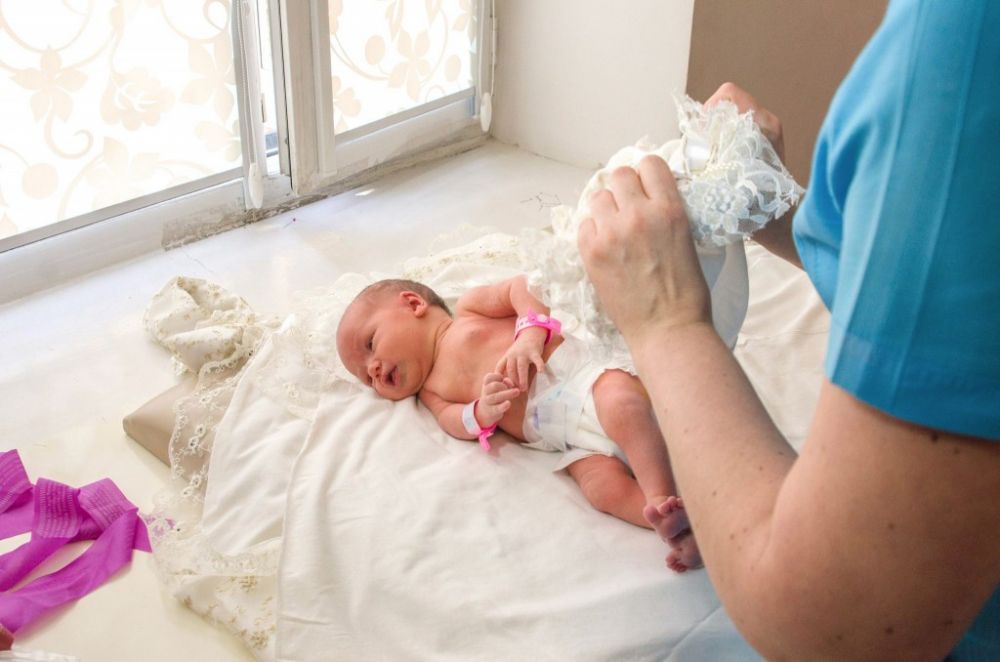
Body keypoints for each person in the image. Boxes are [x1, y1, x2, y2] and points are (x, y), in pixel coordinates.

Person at [576, 0, 1000, 658]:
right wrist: (779, 210)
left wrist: (664, 321)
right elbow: (953, 281)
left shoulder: (969, 40)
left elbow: (839, 625)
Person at [336, 277, 702, 571]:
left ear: (413, 304)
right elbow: (455, 421)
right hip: (566, 437)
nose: (373, 369)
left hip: (584, 377)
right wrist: (482, 412)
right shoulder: (431, 393)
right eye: (366, 378)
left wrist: (530, 334)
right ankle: (678, 526)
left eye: (370, 344)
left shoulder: (470, 310)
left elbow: (523, 287)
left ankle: (659, 495)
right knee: (601, 490)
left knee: (622, 407)